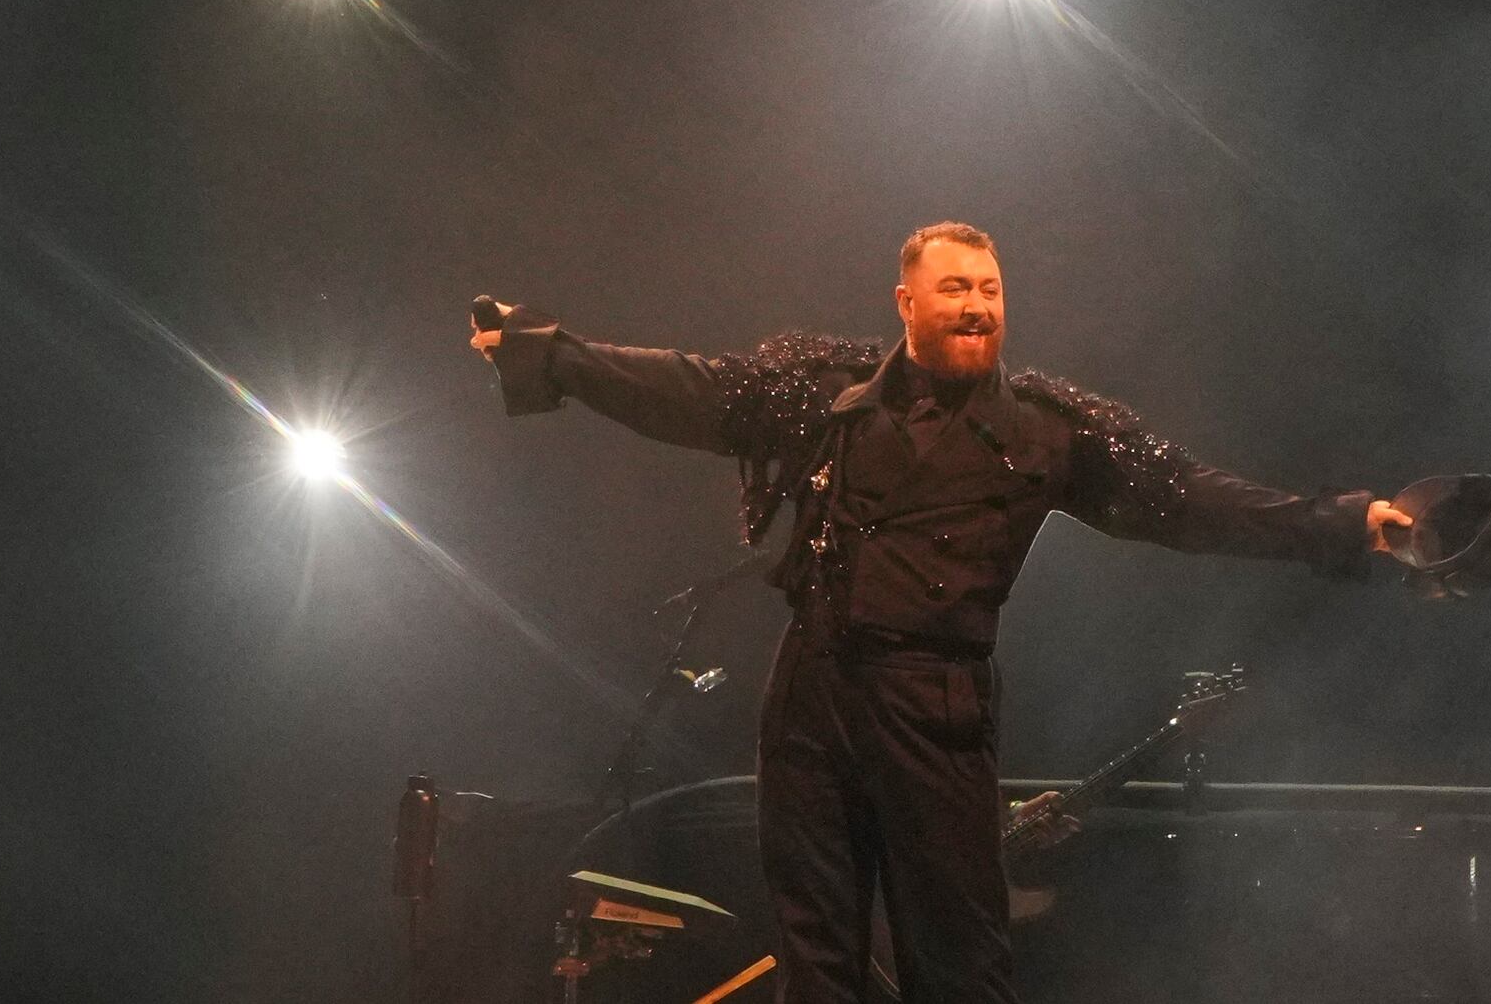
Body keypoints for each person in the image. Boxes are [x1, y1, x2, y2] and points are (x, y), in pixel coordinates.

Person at [472, 222, 1435, 1004]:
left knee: (958, 961)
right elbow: (693, 390)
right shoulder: (826, 395)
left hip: (934, 706)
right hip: (811, 694)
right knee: (818, 957)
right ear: (908, 303)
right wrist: (553, 355)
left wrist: (1348, 525)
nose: (978, 306)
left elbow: (1188, 499)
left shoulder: (1048, 431)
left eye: (990, 291)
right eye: (956, 289)